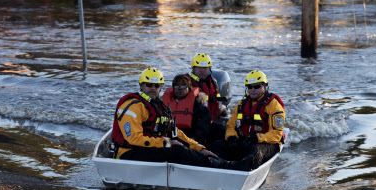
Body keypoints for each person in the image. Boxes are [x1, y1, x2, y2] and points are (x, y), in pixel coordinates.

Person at [111, 68, 255, 171]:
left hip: (148, 148)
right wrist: (166, 142)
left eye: (156, 86)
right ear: (141, 85)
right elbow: (133, 139)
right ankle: (226, 167)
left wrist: (200, 148)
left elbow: (176, 132)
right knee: (178, 151)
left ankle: (220, 162)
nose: (152, 89)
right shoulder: (133, 107)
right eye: (149, 85)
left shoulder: (158, 106)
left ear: (161, 87)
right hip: (129, 153)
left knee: (185, 145)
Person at [209, 70, 285, 169]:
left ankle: (240, 168)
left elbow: (276, 135)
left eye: (257, 86)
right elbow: (231, 125)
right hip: (245, 141)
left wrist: (258, 137)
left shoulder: (274, 105)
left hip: (266, 143)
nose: (252, 90)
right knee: (216, 146)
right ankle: (222, 166)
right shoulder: (241, 104)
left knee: (255, 152)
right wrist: (232, 137)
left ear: (265, 86)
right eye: (250, 87)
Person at [162, 74, 211, 145]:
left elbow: (203, 129)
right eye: (177, 86)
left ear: (189, 88)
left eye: (183, 86)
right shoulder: (163, 105)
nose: (180, 89)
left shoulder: (199, 107)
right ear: (173, 88)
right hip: (170, 138)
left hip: (190, 139)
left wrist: (193, 141)